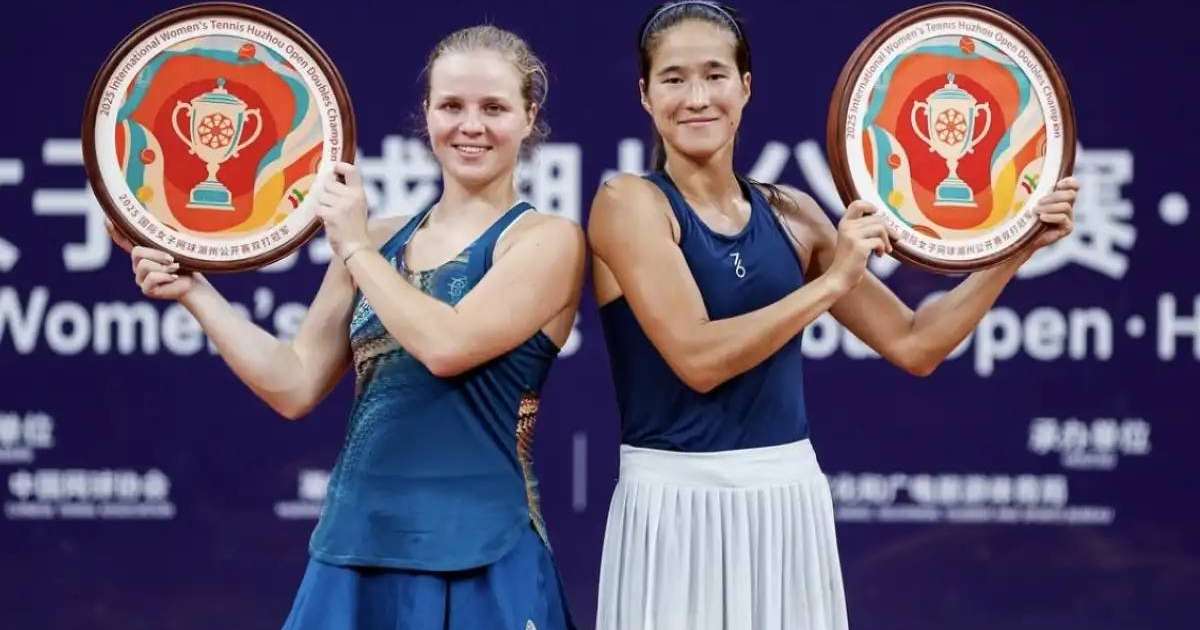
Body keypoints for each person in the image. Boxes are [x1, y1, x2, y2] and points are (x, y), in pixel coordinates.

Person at [587, 3, 1079, 629]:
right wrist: (834, 281)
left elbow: (914, 342)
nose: (696, 97)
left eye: (714, 75)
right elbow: (698, 359)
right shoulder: (627, 202)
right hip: (672, 506)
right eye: (673, 79)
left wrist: (1016, 247)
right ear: (645, 95)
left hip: (789, 499)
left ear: (745, 87)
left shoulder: (792, 213)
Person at [108, 24, 582, 630]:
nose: (471, 126)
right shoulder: (378, 239)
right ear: (427, 115)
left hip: (483, 551)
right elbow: (295, 382)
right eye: (451, 106)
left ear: (528, 116)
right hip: (354, 548)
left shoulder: (547, 242)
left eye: (494, 108)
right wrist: (194, 292)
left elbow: (446, 345)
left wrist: (354, 247)